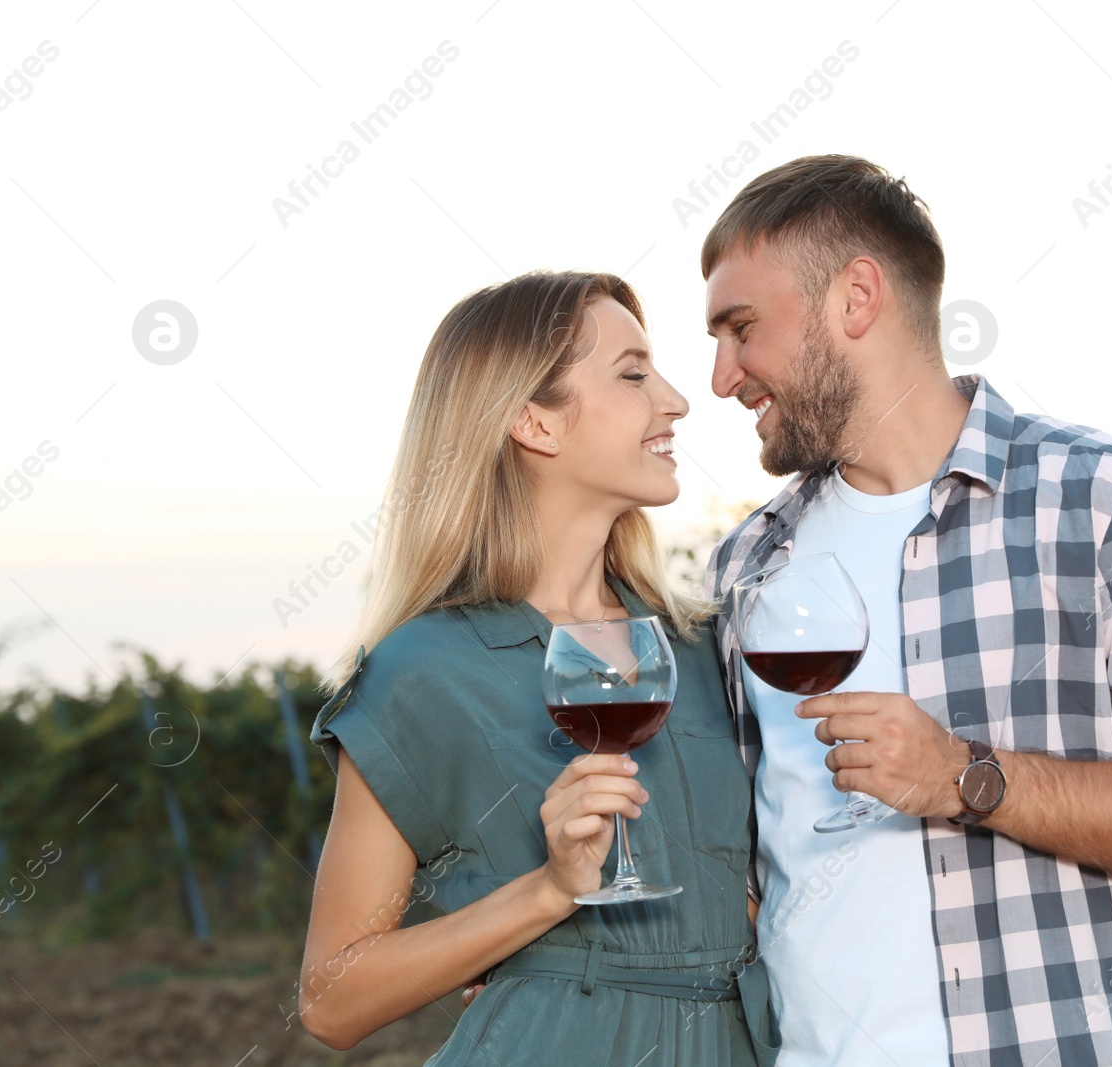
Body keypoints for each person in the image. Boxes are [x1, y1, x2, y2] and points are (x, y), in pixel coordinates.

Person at [700, 155, 1112, 1066]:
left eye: (741, 329)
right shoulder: (749, 564)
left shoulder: (1105, 500)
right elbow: (746, 870)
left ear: (856, 297)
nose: (720, 376)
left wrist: (967, 777)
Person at [300, 271, 776, 1065]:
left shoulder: (706, 647)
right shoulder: (424, 670)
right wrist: (549, 892)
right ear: (533, 422)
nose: (676, 400)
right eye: (632, 374)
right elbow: (329, 1000)